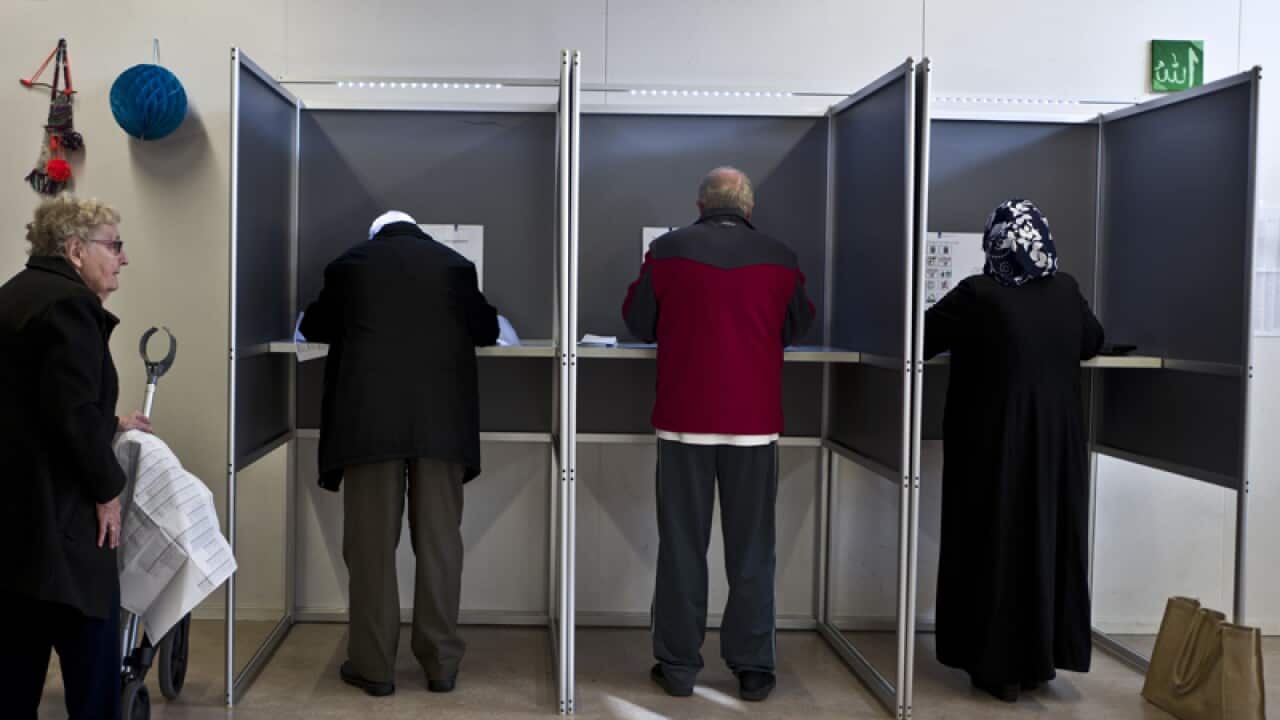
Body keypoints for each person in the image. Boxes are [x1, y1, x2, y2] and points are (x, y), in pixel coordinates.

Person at [623, 167, 815, 702]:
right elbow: (799, 324)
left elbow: (637, 320)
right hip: (754, 425)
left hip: (683, 421)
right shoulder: (781, 257)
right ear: (749, 208)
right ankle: (753, 669)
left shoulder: (666, 251)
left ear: (700, 204)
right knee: (752, 550)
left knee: (682, 546)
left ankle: (678, 667)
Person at [300, 209, 498, 697]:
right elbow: (486, 330)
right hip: (441, 427)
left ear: (375, 233)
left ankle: (374, 667)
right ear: (418, 230)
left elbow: (315, 326)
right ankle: (441, 664)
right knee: (439, 544)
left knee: (370, 547)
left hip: (369, 427)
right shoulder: (454, 265)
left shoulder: (349, 265)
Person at [924, 199, 1104, 703]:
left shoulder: (977, 293)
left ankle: (997, 669)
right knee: (1045, 543)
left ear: (994, 243)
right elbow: (1093, 341)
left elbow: (920, 336)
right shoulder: (1065, 289)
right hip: (1056, 448)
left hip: (993, 444)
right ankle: (1039, 662)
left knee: (993, 543)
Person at [0, 195, 152, 719]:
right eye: (114, 245)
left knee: (13, 676)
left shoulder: (14, 296)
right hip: (62, 526)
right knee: (93, 679)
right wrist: (107, 492)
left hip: (13, 529)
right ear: (75, 250)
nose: (122, 258)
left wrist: (113, 422)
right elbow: (72, 414)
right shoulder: (72, 306)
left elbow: (34, 403)